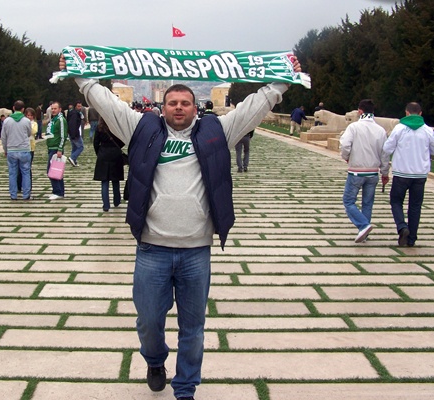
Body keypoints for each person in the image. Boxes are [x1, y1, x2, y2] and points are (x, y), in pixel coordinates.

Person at [60, 54, 299, 400]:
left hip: (195, 251)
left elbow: (253, 107)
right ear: (162, 107)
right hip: (151, 249)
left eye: (185, 103)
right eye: (172, 102)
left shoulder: (217, 132)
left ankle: (185, 387)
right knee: (148, 322)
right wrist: (81, 77)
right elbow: (107, 103)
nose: (178, 108)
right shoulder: (141, 130)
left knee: (193, 328)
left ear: (195, 108)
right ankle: (155, 360)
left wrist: (282, 81)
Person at [383, 102, 434, 247]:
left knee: (396, 202)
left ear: (406, 113)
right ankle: (412, 239)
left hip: (401, 173)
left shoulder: (399, 129)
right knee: (415, 206)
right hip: (420, 175)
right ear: (420, 113)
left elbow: (387, 148)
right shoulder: (427, 130)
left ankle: (402, 227)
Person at [339, 99, 390, 243]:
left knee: (348, 201)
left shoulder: (354, 127)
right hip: (373, 172)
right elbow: (385, 154)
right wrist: (385, 172)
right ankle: (364, 233)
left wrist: (346, 157)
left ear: (360, 111)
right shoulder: (380, 130)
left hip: (356, 171)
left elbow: (345, 145)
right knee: (367, 203)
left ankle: (363, 225)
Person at [0, 100, 32, 201]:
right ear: (23, 109)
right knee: (25, 173)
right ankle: (26, 194)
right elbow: (29, 133)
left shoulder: (7, 121)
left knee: (12, 173)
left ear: (13, 108)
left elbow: (3, 137)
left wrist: (5, 149)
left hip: (11, 150)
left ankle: (13, 195)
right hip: (24, 149)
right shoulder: (26, 121)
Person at [93, 117, 125, 212]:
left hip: (103, 154)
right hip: (115, 154)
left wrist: (99, 152)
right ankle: (117, 201)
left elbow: (95, 142)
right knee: (115, 179)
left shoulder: (99, 127)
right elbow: (122, 141)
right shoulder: (116, 127)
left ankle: (106, 205)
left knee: (104, 181)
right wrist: (117, 147)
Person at [44, 101, 68, 200]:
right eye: (52, 109)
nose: (53, 110)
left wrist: (60, 149)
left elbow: (63, 135)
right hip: (51, 147)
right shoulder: (53, 119)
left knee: (51, 170)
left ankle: (57, 191)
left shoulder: (61, 120)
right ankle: (60, 191)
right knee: (57, 171)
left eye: (55, 109)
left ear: (60, 109)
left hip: (56, 149)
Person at [17, 107, 38, 191]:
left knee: (27, 167)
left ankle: (28, 186)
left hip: (30, 148)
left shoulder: (34, 124)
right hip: (21, 147)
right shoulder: (22, 122)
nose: (29, 117)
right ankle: (19, 185)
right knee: (19, 168)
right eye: (27, 115)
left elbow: (33, 131)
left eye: (31, 115)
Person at [67, 101, 85, 167]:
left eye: (80, 106)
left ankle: (73, 161)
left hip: (71, 133)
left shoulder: (73, 113)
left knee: (74, 147)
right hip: (74, 133)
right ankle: (72, 158)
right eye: (78, 106)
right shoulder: (75, 114)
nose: (80, 108)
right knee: (81, 147)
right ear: (75, 106)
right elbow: (73, 124)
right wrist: (74, 134)